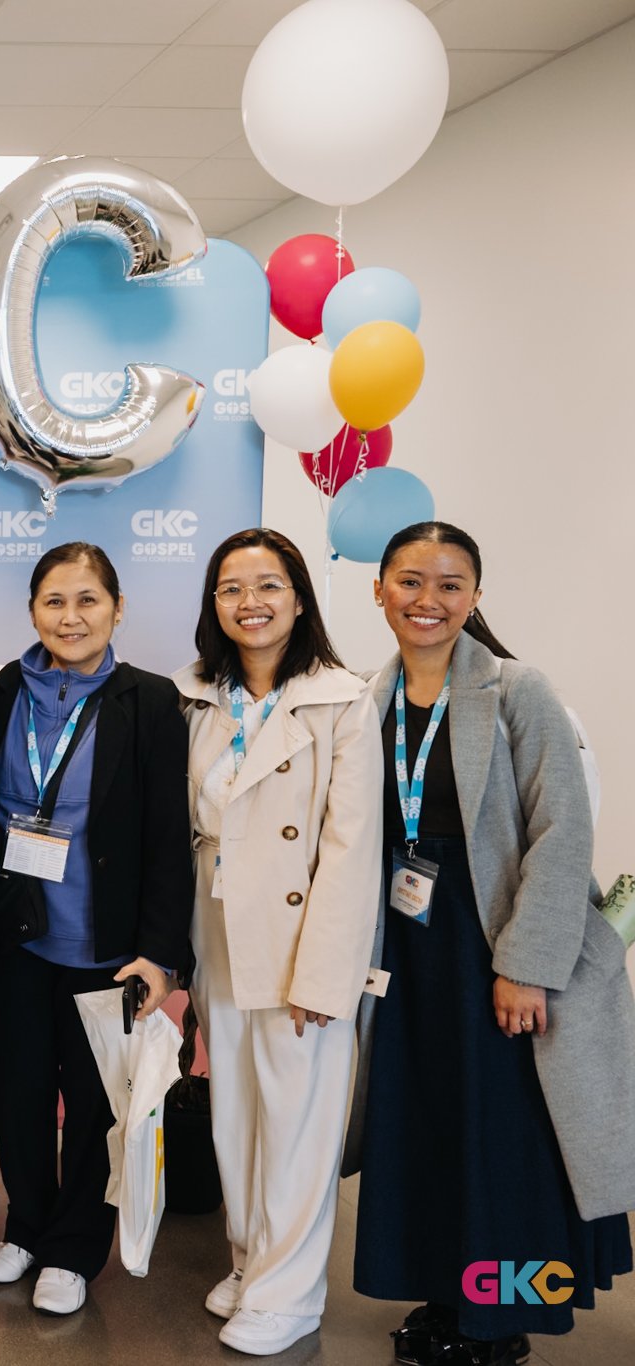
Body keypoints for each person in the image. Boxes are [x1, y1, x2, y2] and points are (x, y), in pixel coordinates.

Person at [351, 521, 631, 1366]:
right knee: (429, 1126)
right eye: (410, 581)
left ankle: (500, 1320)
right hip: (409, 949)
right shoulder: (369, 699)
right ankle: (449, 1296)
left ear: (474, 596)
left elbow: (562, 832)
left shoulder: (516, 690)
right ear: (379, 589)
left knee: (502, 1138)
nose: (427, 600)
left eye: (449, 584)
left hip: (491, 947)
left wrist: (525, 967)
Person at [0, 542, 193, 1316]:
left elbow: (168, 837)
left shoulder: (151, 700)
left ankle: (72, 1248)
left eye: (88, 600)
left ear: (117, 609)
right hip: (15, 939)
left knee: (96, 1108)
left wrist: (160, 953)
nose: (71, 616)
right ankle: (25, 1228)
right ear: (32, 611)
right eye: (54, 601)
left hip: (107, 946)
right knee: (19, 1093)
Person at [175, 528, 381, 1357]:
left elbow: (351, 849)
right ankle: (252, 1259)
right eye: (231, 587)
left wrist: (324, 973)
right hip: (219, 924)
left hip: (301, 935)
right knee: (237, 1111)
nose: (249, 602)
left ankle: (290, 1293)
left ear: (299, 597)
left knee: (299, 1119)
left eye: (267, 585)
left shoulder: (341, 699)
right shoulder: (196, 695)